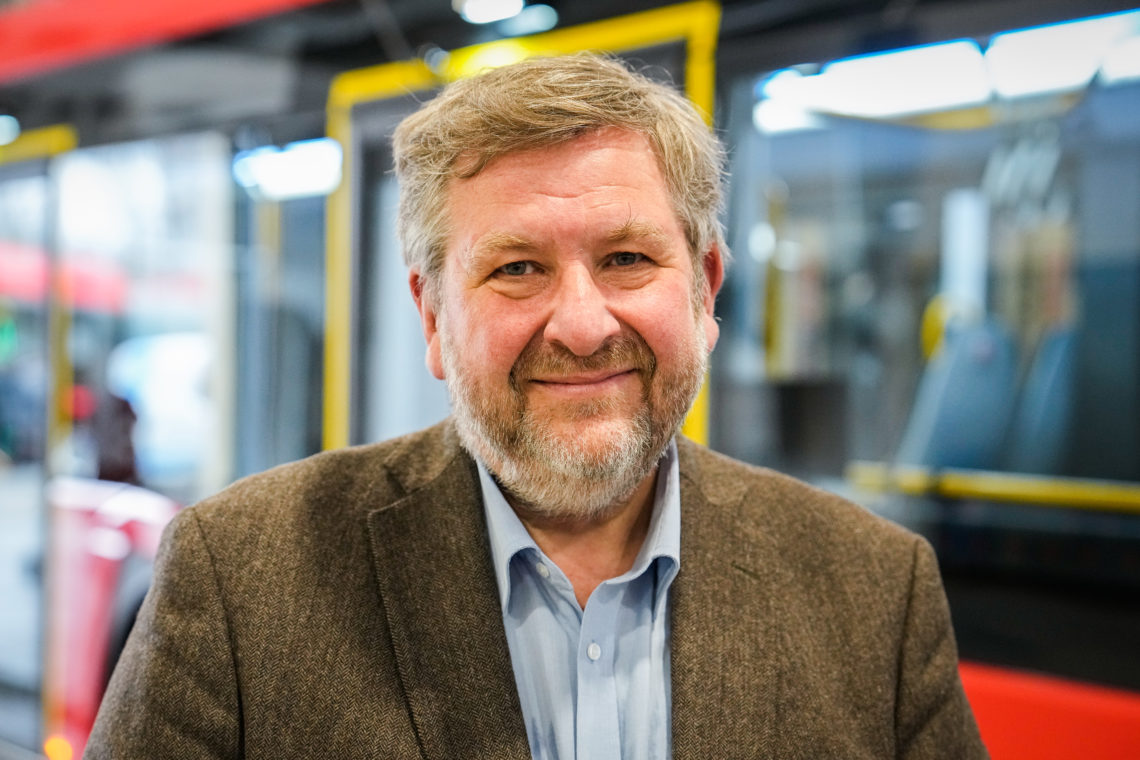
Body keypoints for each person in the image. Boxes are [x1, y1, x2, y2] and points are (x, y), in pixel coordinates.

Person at [86, 54, 987, 759]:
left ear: (705, 291)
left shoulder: (876, 592)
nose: (585, 326)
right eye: (517, 268)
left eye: (628, 259)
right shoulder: (238, 579)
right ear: (433, 317)